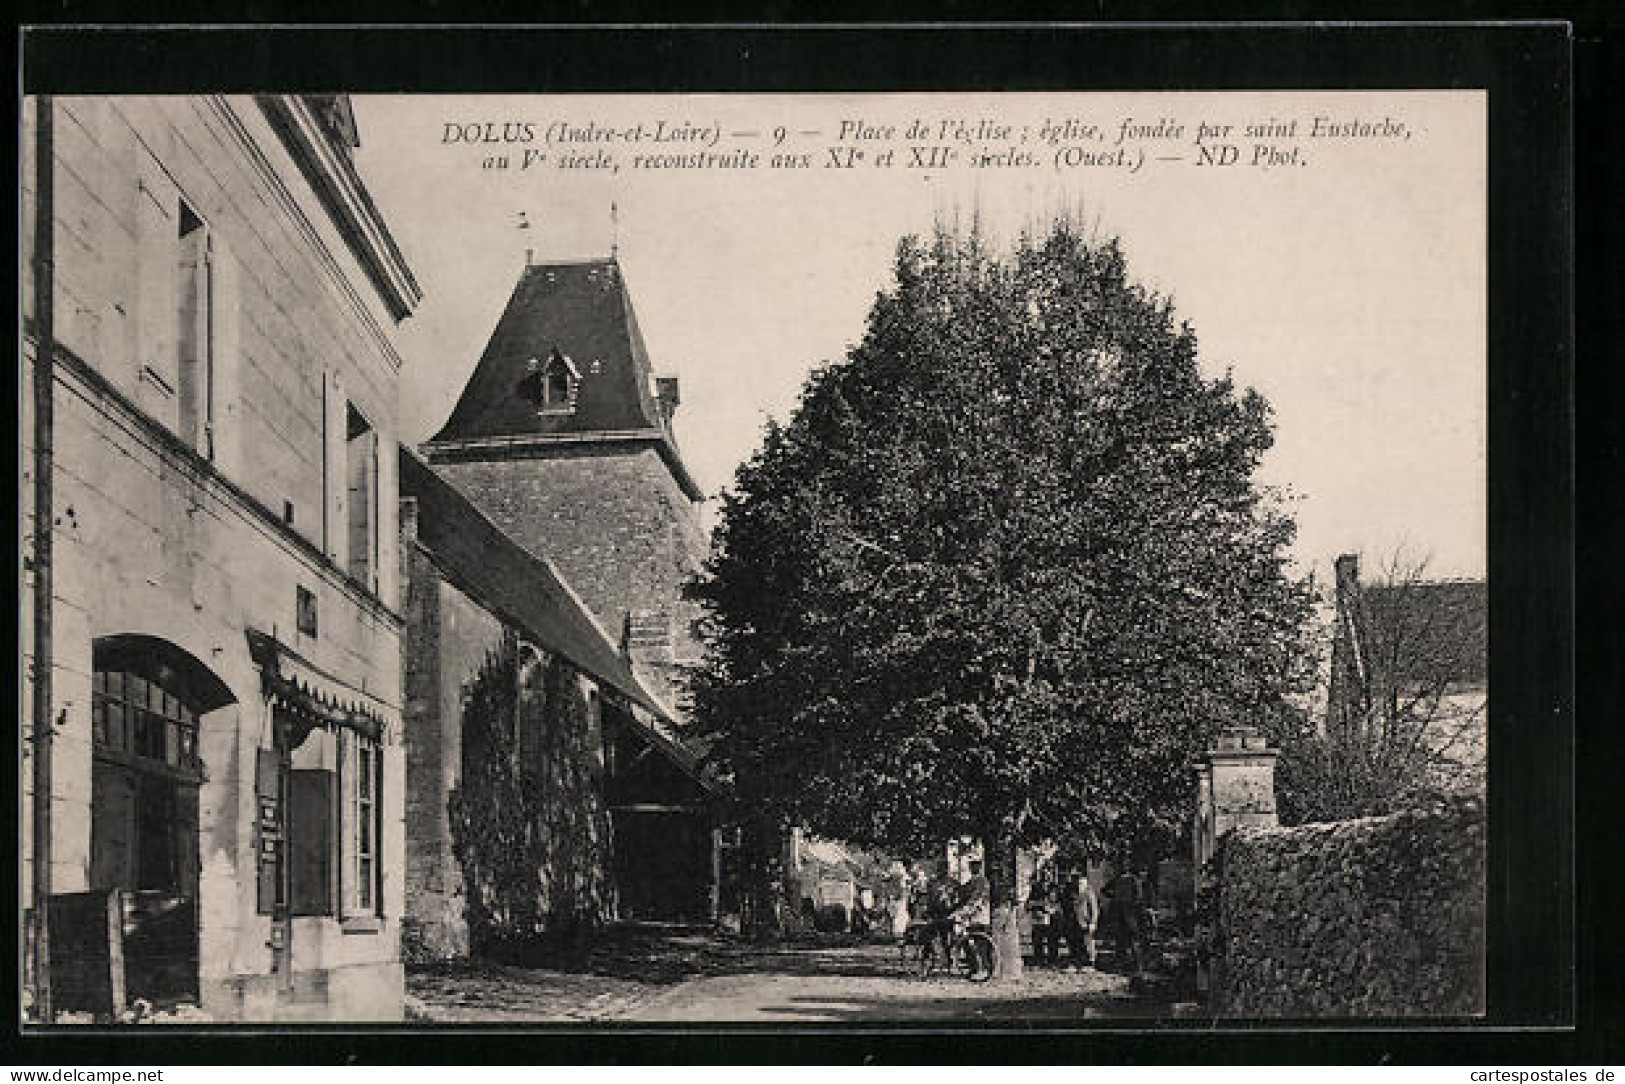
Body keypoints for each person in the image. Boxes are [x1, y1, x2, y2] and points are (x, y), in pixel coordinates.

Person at [1106, 863, 1146, 974]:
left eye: (1124, 866)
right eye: (1120, 866)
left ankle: (1138, 967)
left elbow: (1139, 897)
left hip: (1130, 914)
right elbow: (1104, 890)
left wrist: (1131, 906)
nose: (1121, 868)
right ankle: (1121, 966)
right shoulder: (1116, 879)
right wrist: (1114, 898)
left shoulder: (1133, 880)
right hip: (1119, 914)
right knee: (1120, 941)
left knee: (1133, 940)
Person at [1059, 868, 1100, 969]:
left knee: (1087, 943)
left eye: (1081, 883)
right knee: (1073, 942)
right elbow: (1064, 906)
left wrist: (1092, 922)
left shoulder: (1088, 893)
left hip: (1085, 922)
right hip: (1071, 921)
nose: (1079, 885)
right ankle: (1075, 962)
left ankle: (1089, 963)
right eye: (1077, 882)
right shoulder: (1068, 892)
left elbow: (1094, 909)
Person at [1027, 868, 1062, 967]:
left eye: (1048, 874)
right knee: (1037, 940)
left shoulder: (1055, 888)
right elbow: (1029, 902)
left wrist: (1054, 910)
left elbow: (1061, 902)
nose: (1046, 876)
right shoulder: (1036, 887)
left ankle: (1053, 960)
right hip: (1039, 917)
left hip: (1053, 918)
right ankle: (1039, 960)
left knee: (1053, 940)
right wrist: (1040, 906)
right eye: (1044, 874)